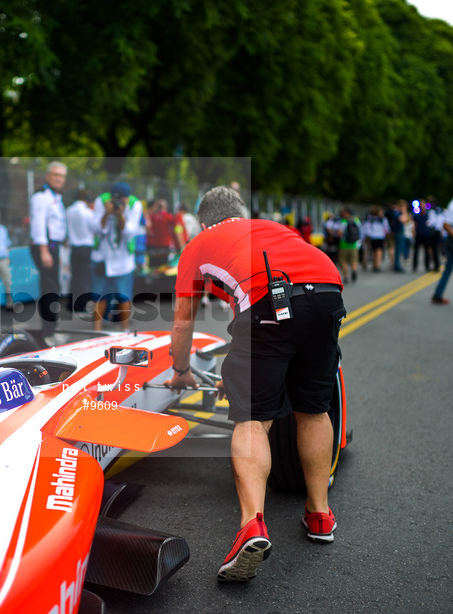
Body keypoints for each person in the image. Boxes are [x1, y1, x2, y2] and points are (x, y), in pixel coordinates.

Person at [164, 186, 345, 582]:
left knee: (252, 418)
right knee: (314, 410)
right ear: (243, 213)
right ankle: (320, 515)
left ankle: (252, 525)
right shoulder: (273, 227)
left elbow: (183, 322)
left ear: (206, 222)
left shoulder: (199, 244)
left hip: (270, 300)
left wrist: (181, 370)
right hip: (329, 291)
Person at [90, 182, 142, 331]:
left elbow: (130, 232)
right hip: (102, 257)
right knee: (99, 295)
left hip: (123, 260)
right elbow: (96, 228)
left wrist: (121, 215)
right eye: (116, 199)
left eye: (123, 199)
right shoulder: (101, 201)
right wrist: (107, 213)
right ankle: (97, 331)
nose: (119, 202)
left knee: (123, 296)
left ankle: (125, 330)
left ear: (128, 197)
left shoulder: (135, 204)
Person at [29, 161, 67, 332]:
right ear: (48, 176)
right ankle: (49, 330)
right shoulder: (41, 197)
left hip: (53, 246)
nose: (59, 179)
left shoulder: (55, 197)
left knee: (53, 286)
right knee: (50, 287)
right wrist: (44, 251)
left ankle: (52, 327)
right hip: (44, 246)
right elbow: (38, 225)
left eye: (62, 176)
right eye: (56, 175)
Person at [66, 188, 95, 313]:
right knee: (84, 278)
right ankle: (81, 305)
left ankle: (71, 303)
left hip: (74, 248)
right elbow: (94, 228)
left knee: (75, 277)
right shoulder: (87, 212)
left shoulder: (69, 210)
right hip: (86, 247)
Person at [146, 198, 185, 269]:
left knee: (153, 269)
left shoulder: (151, 217)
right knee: (163, 269)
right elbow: (177, 230)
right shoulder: (170, 217)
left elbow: (148, 230)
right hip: (164, 248)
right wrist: (181, 246)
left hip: (152, 247)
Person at [338, 208, 361, 284]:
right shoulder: (356, 220)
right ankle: (354, 270)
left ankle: (346, 276)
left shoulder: (343, 221)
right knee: (354, 260)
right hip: (354, 245)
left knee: (343, 261)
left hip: (344, 245)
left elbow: (340, 233)